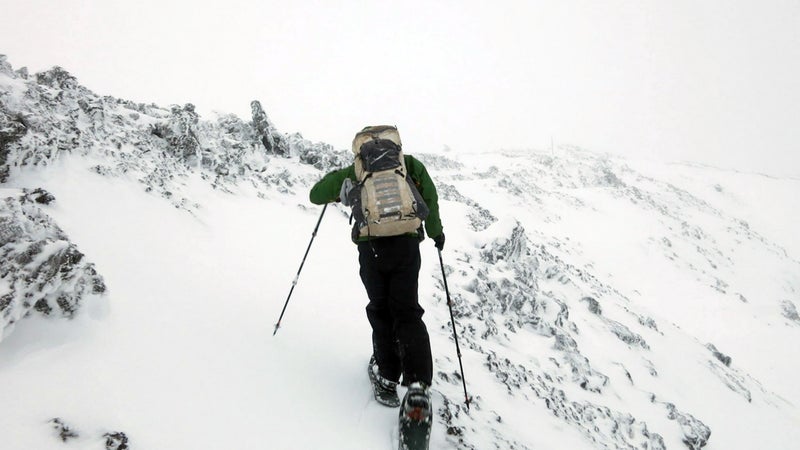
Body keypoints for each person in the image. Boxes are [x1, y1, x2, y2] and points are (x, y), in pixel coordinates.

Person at [308, 126, 445, 412]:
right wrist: (436, 233)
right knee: (407, 311)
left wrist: (341, 192)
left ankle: (386, 378)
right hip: (407, 247)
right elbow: (429, 197)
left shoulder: (355, 170)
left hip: (372, 249)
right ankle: (418, 386)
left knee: (381, 310)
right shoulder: (410, 166)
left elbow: (315, 195)